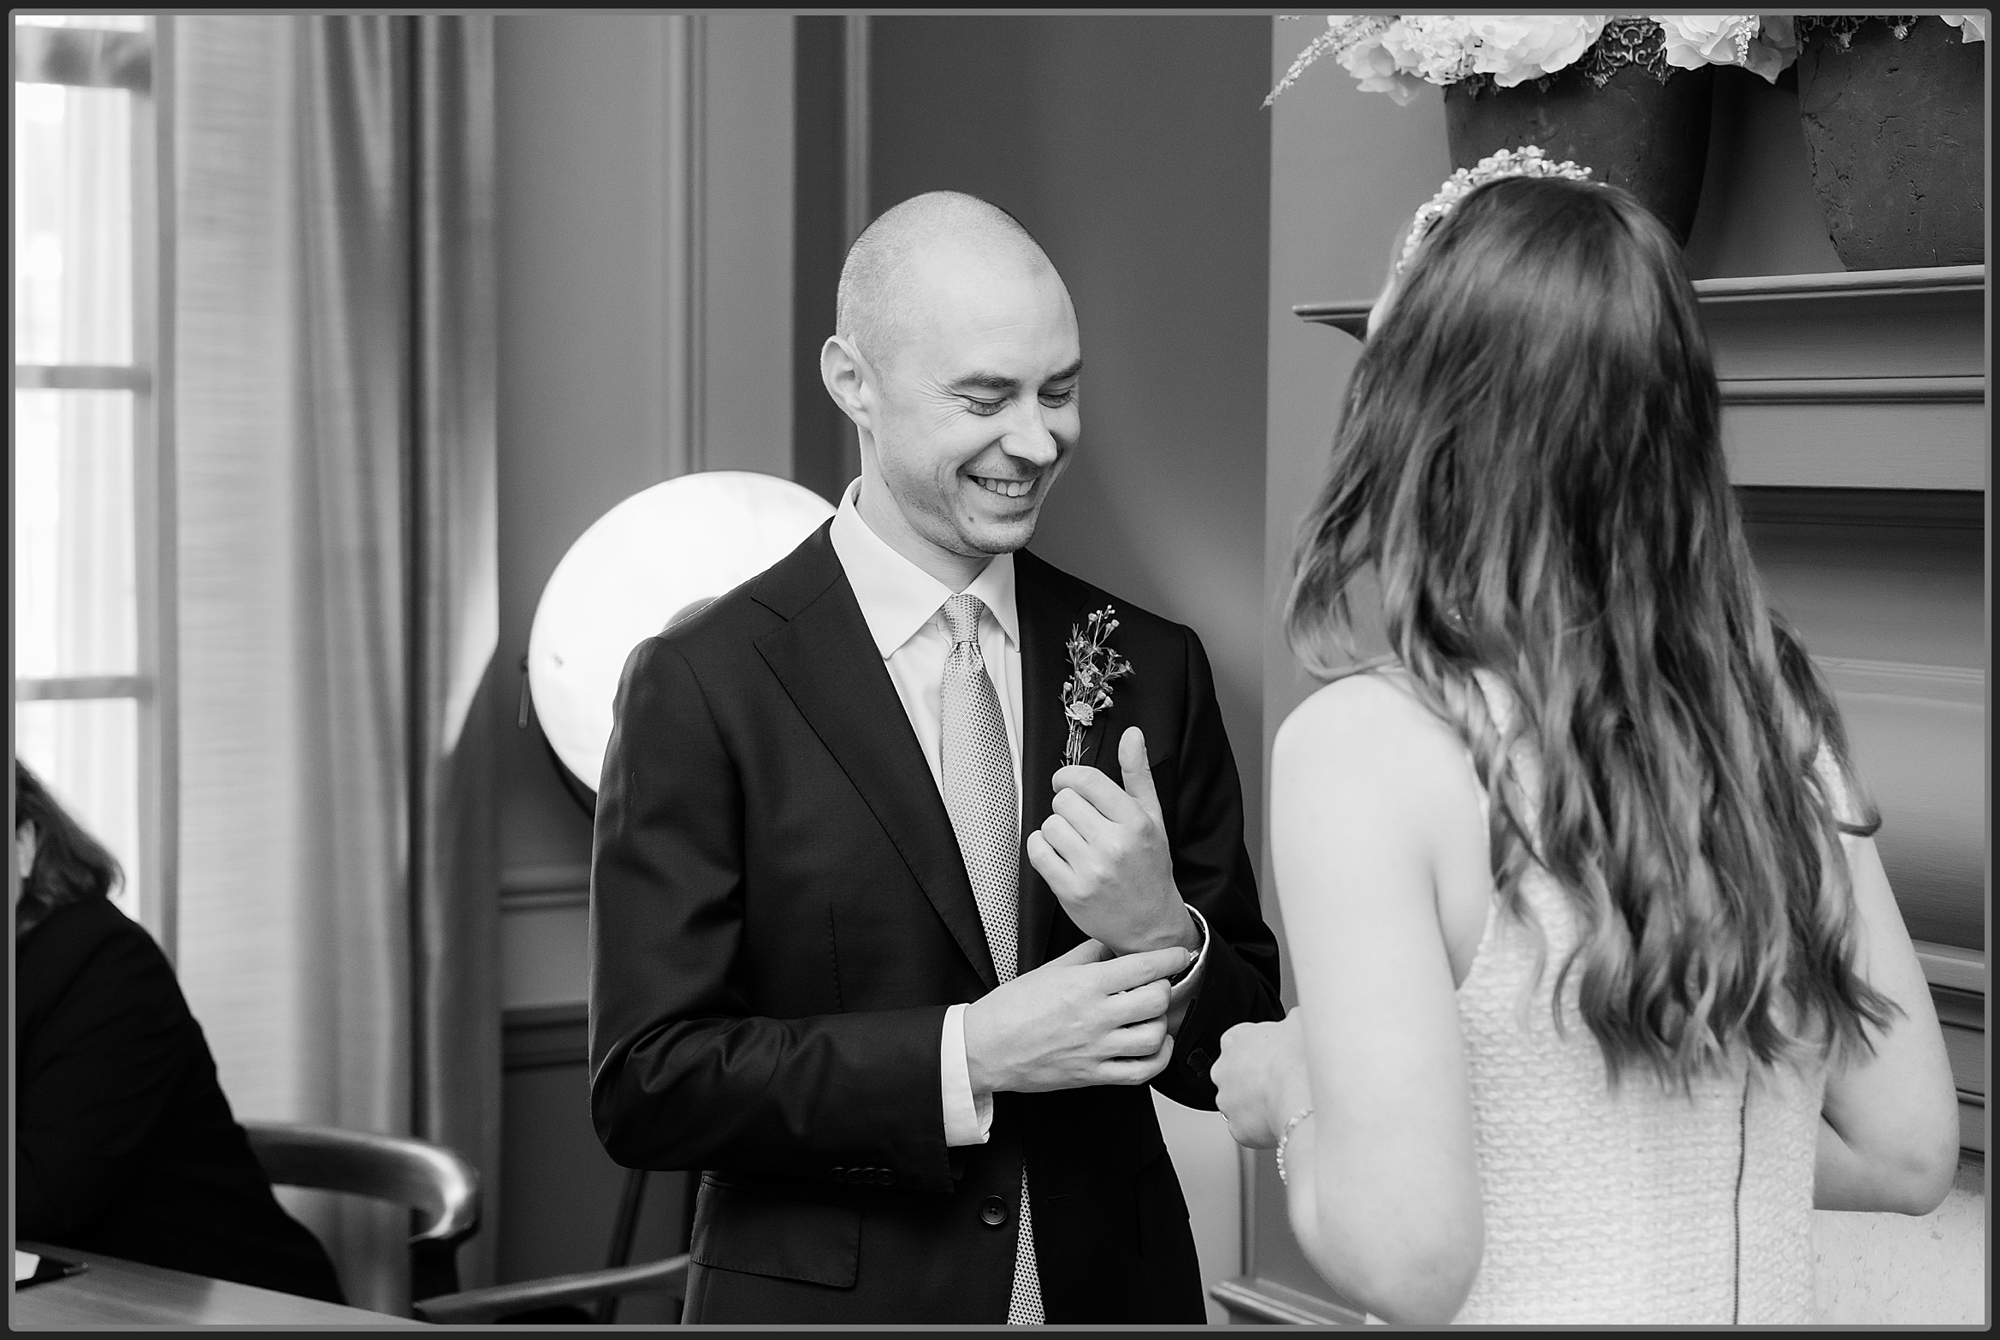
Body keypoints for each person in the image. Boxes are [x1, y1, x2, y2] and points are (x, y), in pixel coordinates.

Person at [1211, 154, 1960, 1325]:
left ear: (1417, 420)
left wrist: (1291, 1084)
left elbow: (1410, 1260)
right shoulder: (1768, 720)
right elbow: (1910, 1144)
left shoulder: (1365, 748)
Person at [589, 190, 1284, 1324]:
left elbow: (1237, 1050)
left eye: (1058, 391)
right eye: (984, 397)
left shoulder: (1151, 665)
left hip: (1115, 1291)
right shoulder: (703, 681)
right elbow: (647, 1083)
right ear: (850, 378)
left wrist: (1164, 932)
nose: (1036, 439)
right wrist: (968, 1051)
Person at [13, 762, 346, 1304]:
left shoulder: (104, 964)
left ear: (25, 846)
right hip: (75, 1299)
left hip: (220, 1298)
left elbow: (39, 1197)